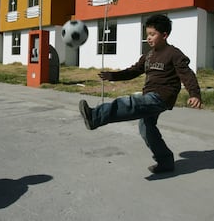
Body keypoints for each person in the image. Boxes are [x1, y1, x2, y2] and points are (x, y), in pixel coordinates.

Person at [79, 14, 202, 174]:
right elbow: (134, 71)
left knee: (132, 104)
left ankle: (96, 116)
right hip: (149, 96)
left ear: (164, 35)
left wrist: (194, 94)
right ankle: (165, 161)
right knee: (146, 127)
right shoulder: (148, 55)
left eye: (152, 34)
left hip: (162, 96)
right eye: (147, 35)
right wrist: (113, 76)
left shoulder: (173, 53)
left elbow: (187, 74)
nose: (149, 38)